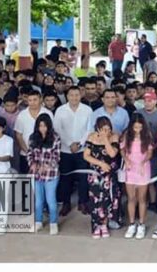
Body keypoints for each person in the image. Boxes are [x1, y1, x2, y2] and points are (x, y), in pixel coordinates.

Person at [55, 86, 93, 217]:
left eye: (77, 95)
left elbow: (89, 129)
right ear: (67, 96)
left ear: (80, 95)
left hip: (82, 150)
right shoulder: (60, 110)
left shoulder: (87, 110)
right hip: (65, 150)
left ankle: (83, 202)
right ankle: (66, 203)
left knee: (83, 177)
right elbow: (58, 129)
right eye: (71, 95)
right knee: (66, 178)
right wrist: (69, 143)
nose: (74, 97)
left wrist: (80, 143)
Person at [84, 116, 122, 239]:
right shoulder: (91, 137)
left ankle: (105, 224)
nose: (107, 131)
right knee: (95, 200)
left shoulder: (114, 137)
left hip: (109, 175)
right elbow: (86, 156)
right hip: (95, 174)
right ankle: (96, 225)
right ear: (98, 128)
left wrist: (106, 139)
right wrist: (100, 164)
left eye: (108, 128)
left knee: (107, 200)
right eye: (103, 129)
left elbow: (112, 153)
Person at [121, 113, 154, 240]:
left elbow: (150, 153)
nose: (138, 130)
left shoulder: (147, 136)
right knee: (131, 197)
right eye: (135, 128)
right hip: (130, 169)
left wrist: (144, 162)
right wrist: (126, 160)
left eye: (140, 127)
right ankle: (131, 224)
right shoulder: (126, 136)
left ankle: (141, 224)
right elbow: (122, 150)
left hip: (142, 169)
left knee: (142, 198)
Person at [28, 114, 61, 235]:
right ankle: (38, 222)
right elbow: (29, 153)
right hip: (36, 174)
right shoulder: (33, 137)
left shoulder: (55, 137)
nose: (42, 128)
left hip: (50, 174)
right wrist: (33, 164)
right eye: (40, 126)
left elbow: (56, 157)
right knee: (38, 200)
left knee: (51, 200)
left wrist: (45, 166)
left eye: (45, 126)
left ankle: (53, 223)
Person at [14, 91, 53, 173]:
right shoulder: (22, 115)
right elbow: (18, 135)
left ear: (40, 99)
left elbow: (51, 133)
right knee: (26, 181)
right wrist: (28, 151)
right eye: (30, 100)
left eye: (35, 99)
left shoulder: (48, 113)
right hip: (25, 154)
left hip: (44, 155)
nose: (32, 102)